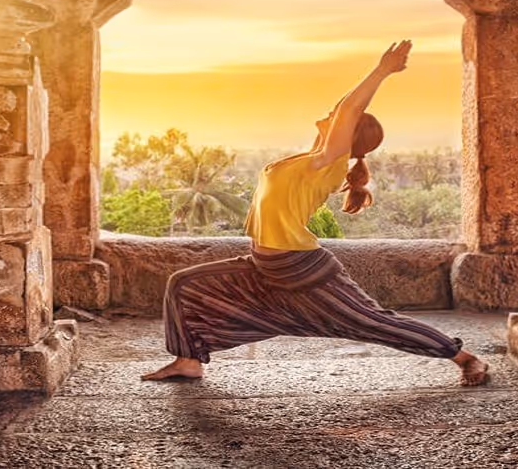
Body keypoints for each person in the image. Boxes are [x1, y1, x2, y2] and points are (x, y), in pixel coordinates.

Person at [141, 40, 488, 386]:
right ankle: (188, 361)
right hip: (265, 264)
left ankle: (464, 357)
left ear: (348, 134)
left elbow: (349, 109)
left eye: (341, 119)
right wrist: (359, 94)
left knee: (373, 322)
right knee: (184, 283)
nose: (332, 114)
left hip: (300, 267)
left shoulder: (329, 163)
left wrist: (382, 72)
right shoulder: (312, 158)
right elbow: (344, 108)